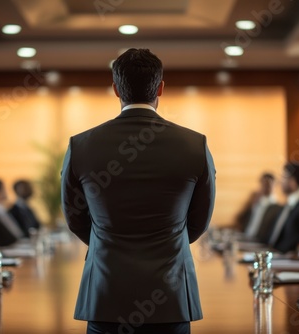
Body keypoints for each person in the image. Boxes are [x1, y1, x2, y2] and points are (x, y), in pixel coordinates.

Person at [61, 48, 216, 334]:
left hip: (105, 297)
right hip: (170, 299)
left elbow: (75, 220)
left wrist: (105, 242)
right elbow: (198, 223)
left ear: (116, 90)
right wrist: (169, 241)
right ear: (160, 88)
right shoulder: (195, 145)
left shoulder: (80, 146)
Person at [268, 162, 299, 253]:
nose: (280, 182)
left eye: (283, 178)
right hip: (275, 255)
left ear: (293, 182)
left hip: (288, 260)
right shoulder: (286, 206)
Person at [241, 173, 282, 243]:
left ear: (274, 185)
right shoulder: (256, 200)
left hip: (259, 242)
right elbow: (242, 219)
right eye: (263, 184)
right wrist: (253, 205)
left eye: (268, 185)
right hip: (246, 237)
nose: (265, 187)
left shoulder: (277, 208)